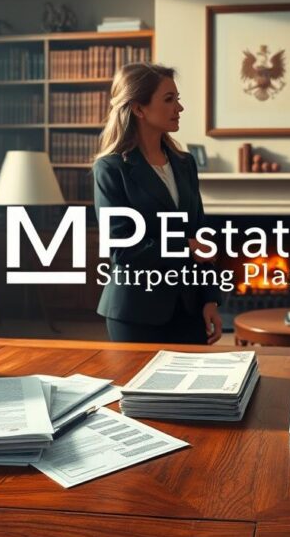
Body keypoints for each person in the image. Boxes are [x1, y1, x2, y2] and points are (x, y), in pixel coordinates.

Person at [93, 62, 223, 345]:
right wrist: (186, 246)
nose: (179, 108)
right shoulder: (111, 169)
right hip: (135, 312)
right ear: (139, 108)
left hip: (189, 311)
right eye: (169, 99)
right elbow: (123, 248)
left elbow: (201, 234)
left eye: (177, 99)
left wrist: (210, 299)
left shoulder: (185, 163)